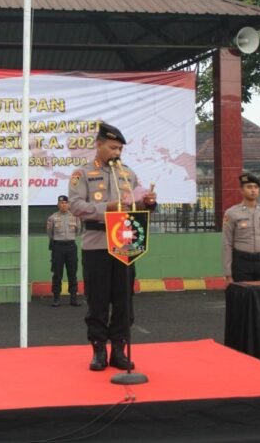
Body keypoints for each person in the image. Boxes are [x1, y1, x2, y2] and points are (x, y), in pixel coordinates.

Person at [69, 122, 157, 371]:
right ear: (98, 145)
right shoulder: (83, 173)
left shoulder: (128, 174)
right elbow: (75, 205)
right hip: (96, 243)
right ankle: (98, 349)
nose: (117, 153)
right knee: (97, 300)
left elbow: (135, 206)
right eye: (112, 147)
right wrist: (104, 208)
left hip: (125, 243)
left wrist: (148, 204)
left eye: (120, 149)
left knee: (123, 299)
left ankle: (119, 349)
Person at [222, 173, 260, 283]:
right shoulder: (232, 213)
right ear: (241, 190)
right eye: (249, 187)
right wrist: (228, 273)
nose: (253, 190)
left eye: (256, 187)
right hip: (242, 264)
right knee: (242, 293)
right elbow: (227, 244)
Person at [46, 195, 82, 308]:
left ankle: (74, 298)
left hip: (71, 247)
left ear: (69, 205)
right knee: (57, 273)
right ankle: (56, 298)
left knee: (72, 273)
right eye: (61, 203)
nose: (63, 205)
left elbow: (78, 231)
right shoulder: (52, 218)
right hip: (58, 247)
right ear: (58, 204)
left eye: (65, 203)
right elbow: (50, 233)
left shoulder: (75, 217)